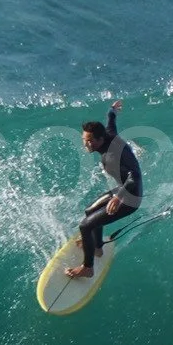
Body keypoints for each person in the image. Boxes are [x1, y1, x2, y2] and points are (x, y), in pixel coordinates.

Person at [69, 99, 144, 278]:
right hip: (122, 189)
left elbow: (135, 176)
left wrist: (118, 198)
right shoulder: (108, 134)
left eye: (89, 141)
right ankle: (97, 248)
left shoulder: (113, 154)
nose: (85, 145)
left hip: (130, 197)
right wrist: (112, 109)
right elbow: (111, 120)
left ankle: (88, 268)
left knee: (85, 226)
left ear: (100, 139)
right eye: (83, 140)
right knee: (89, 212)